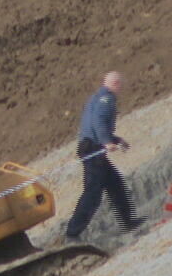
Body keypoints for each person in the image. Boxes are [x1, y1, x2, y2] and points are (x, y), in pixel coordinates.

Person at [62, 70, 144, 241]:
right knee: (93, 193)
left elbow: (94, 125)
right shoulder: (106, 99)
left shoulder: (96, 98)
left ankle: (128, 222)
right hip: (92, 149)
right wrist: (107, 142)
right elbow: (99, 122)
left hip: (91, 146)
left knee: (115, 184)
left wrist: (116, 139)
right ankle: (72, 232)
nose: (121, 89)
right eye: (121, 85)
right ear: (116, 84)